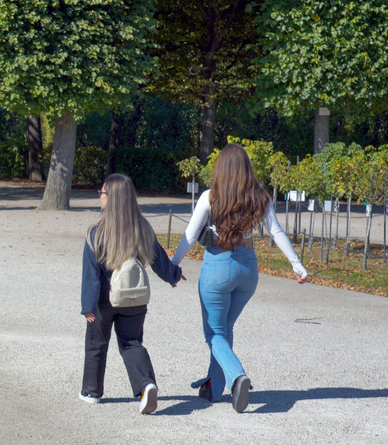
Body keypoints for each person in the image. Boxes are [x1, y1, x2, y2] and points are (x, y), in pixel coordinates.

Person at [172, 142, 308, 413]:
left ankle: (237, 376)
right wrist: (297, 265)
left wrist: (173, 266)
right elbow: (276, 231)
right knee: (225, 330)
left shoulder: (210, 197)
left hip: (218, 268)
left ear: (220, 168)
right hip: (248, 269)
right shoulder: (260, 198)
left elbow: (189, 236)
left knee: (214, 333)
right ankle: (215, 388)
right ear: (247, 169)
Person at [81, 173, 185, 414]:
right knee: (131, 343)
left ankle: (91, 392)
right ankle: (146, 384)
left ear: (113, 197)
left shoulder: (96, 231)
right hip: (135, 296)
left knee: (97, 343)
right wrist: (174, 276)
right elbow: (158, 259)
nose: (100, 195)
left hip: (104, 299)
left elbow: (90, 275)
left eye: (102, 192)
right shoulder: (142, 227)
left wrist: (88, 305)